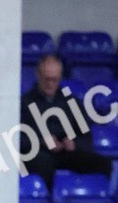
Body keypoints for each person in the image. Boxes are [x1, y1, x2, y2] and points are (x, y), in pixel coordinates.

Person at [19, 52, 112, 191]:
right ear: (38, 75)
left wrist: (74, 144)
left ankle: (95, 196)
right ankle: (49, 201)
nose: (50, 84)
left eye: (55, 80)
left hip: (66, 153)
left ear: (60, 77)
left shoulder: (71, 102)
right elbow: (17, 139)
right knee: (43, 163)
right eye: (47, 79)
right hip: (37, 153)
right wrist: (40, 141)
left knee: (103, 164)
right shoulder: (24, 102)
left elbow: (86, 138)